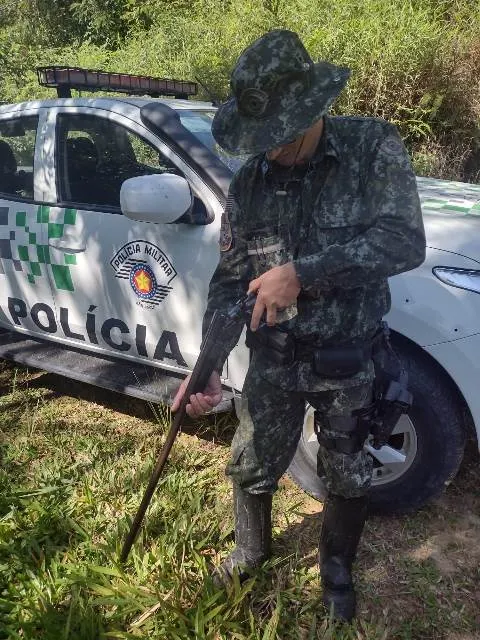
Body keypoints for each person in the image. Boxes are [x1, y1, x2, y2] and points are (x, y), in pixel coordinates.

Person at [172, 29, 426, 622]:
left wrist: (304, 273)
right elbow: (232, 282)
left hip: (347, 354)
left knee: (346, 466)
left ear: (314, 108)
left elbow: (404, 241)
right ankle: (250, 550)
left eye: (281, 135)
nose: (272, 151)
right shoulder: (251, 181)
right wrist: (207, 369)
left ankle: (337, 572)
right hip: (274, 356)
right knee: (253, 455)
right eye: (261, 140)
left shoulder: (371, 150)